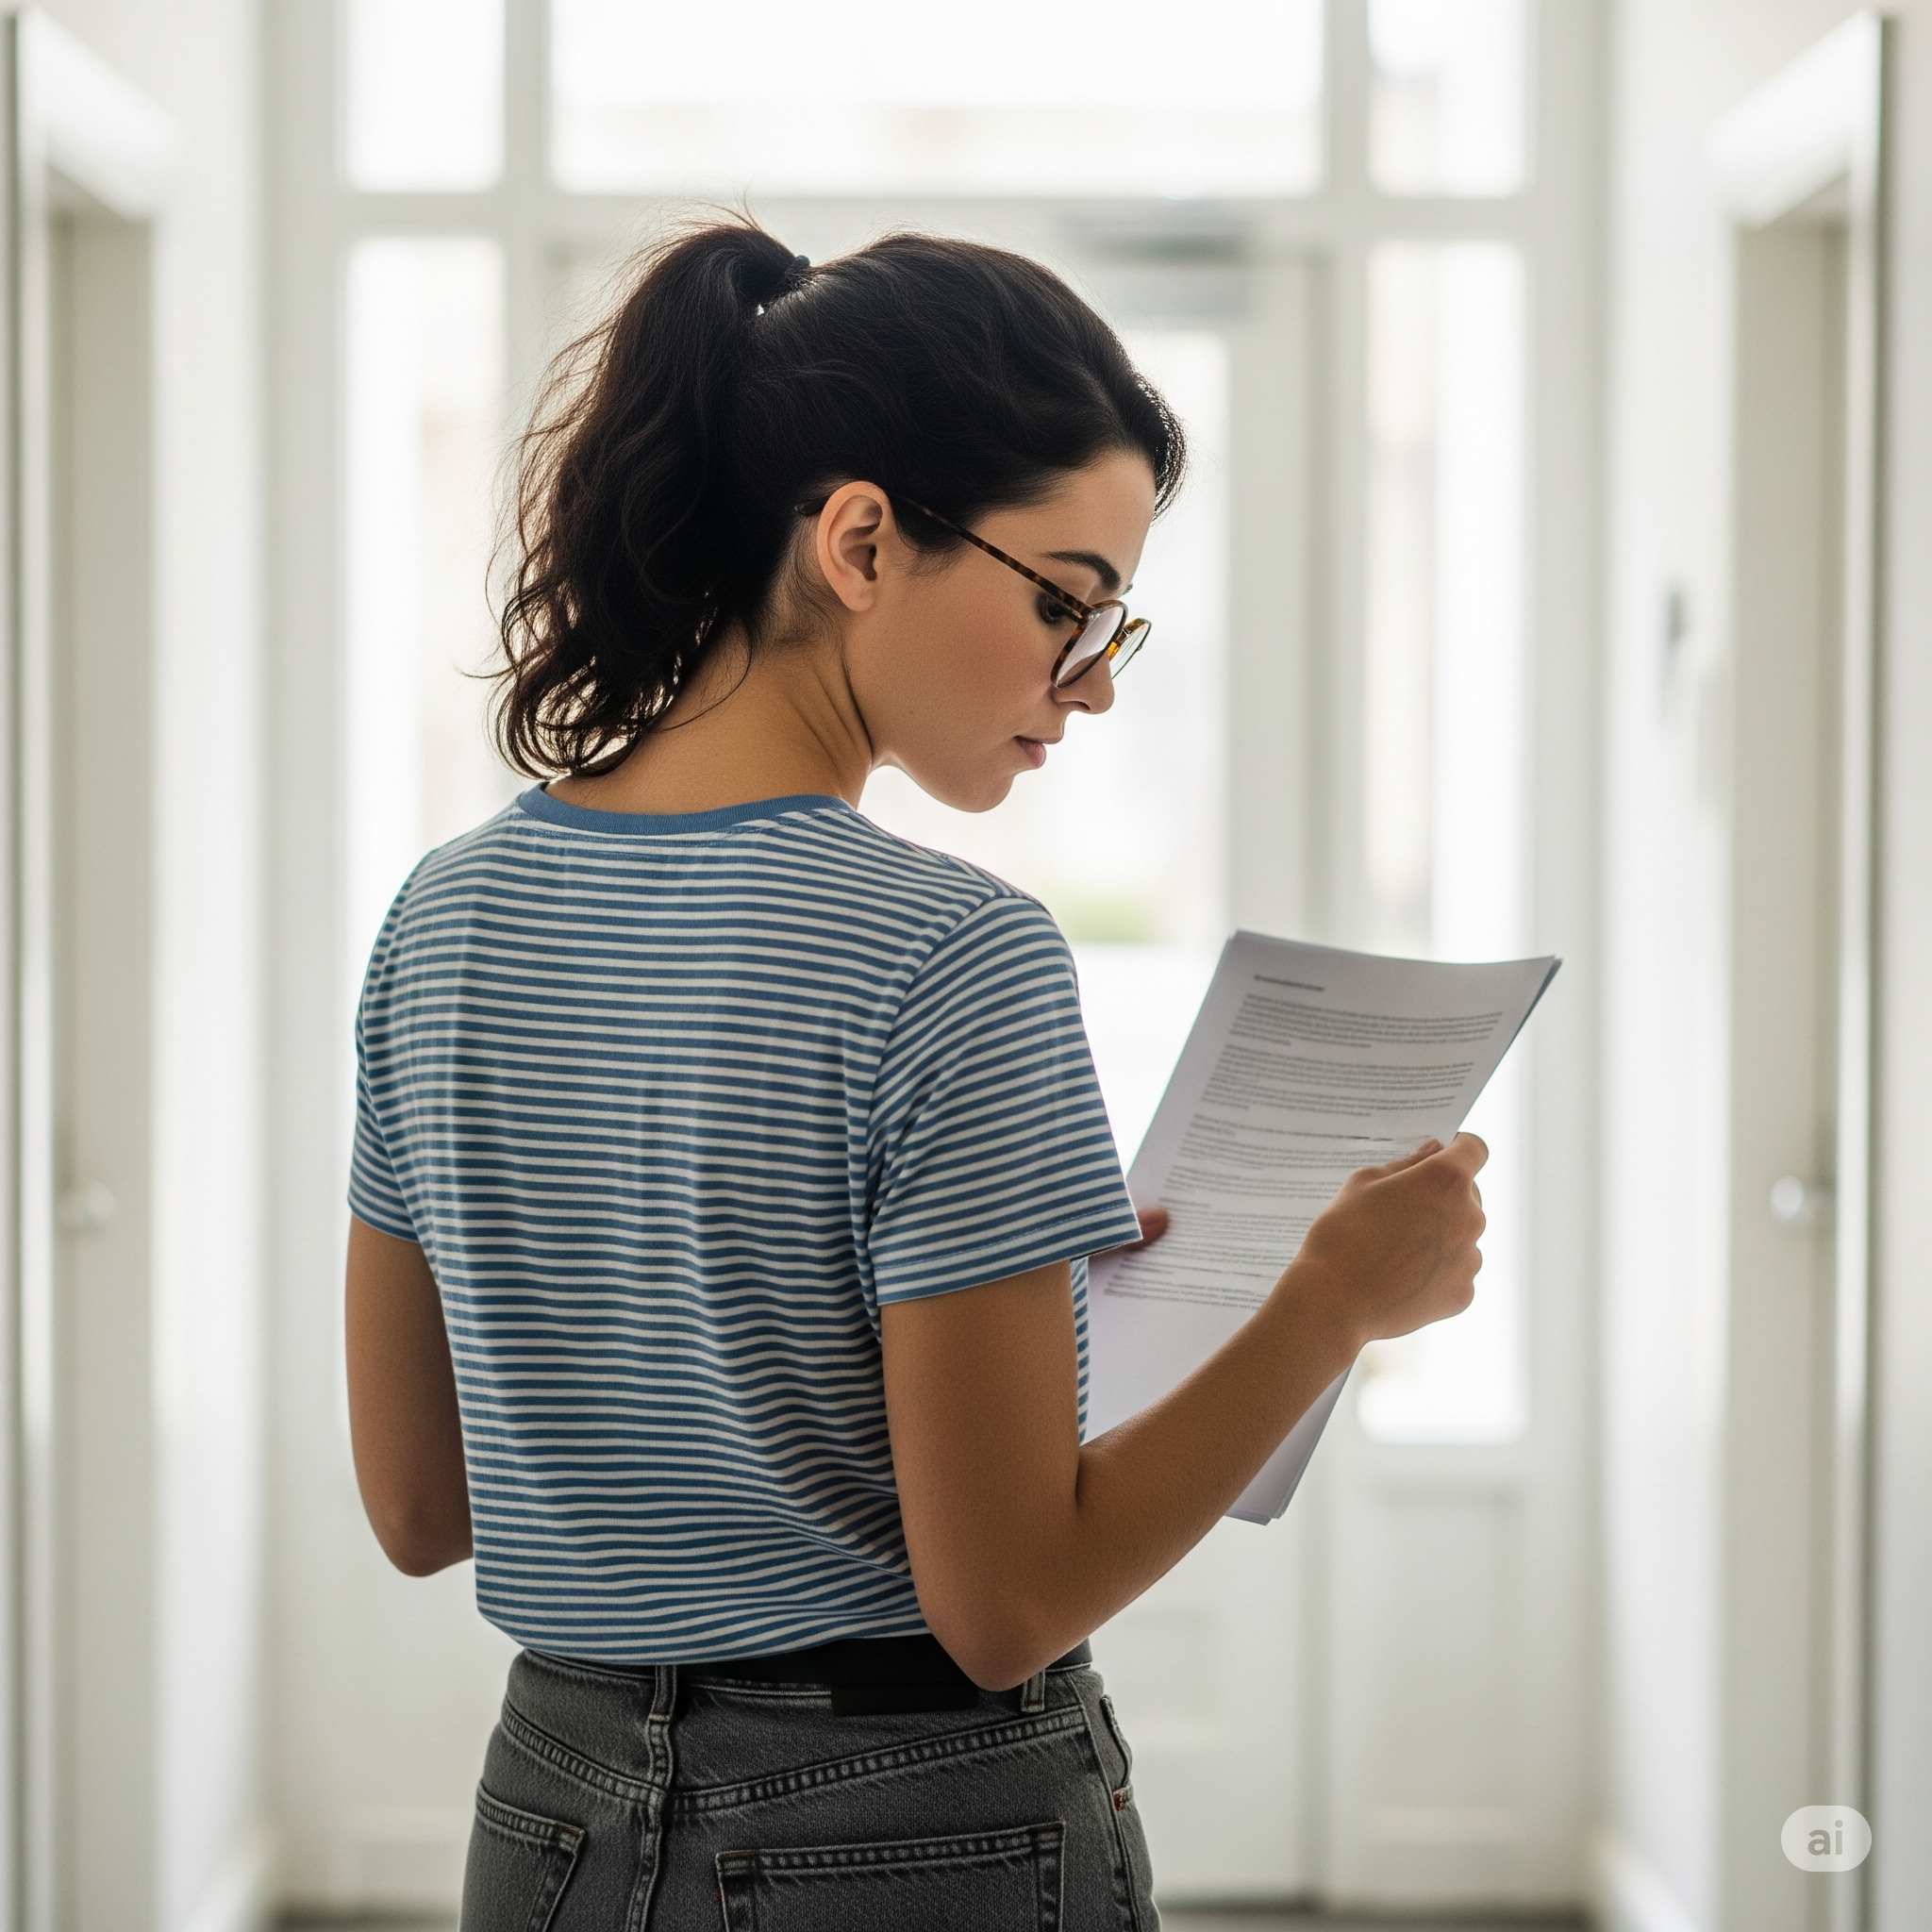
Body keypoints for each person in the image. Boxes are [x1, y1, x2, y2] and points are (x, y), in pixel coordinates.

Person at [344, 218, 1487, 1932]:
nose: (1088, 690)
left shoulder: (439, 920)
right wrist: (1333, 1301)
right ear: (863, 540)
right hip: (918, 1837)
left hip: (551, 1826)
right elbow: (1008, 1604)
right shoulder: (952, 957)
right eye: (1066, 606)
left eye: (1119, 631)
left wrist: (989, 1292)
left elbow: (423, 1508)